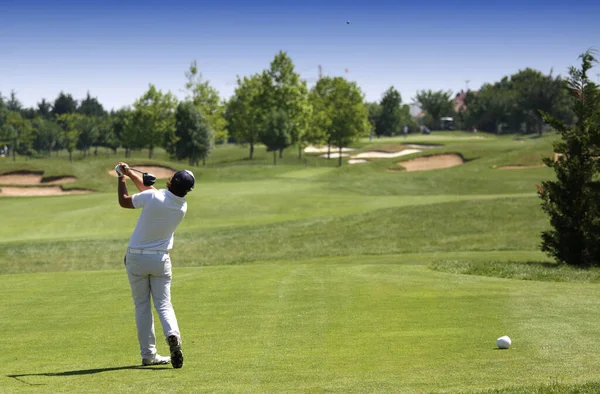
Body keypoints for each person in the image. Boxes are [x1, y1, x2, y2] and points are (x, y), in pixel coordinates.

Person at [115, 162, 195, 369]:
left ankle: (149, 354)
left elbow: (125, 201)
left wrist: (121, 177)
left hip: (136, 258)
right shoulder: (181, 206)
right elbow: (150, 192)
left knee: (142, 306)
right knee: (163, 304)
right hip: (160, 260)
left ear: (171, 182)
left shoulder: (154, 197)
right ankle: (172, 335)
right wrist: (131, 173)